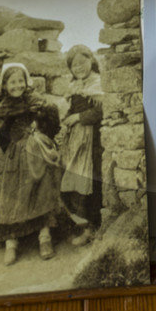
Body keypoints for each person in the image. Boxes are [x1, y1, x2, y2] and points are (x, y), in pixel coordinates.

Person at [0, 61, 64, 265]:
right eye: (12, 82)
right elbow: (2, 136)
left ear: (26, 82)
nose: (17, 86)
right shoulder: (4, 108)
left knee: (41, 190)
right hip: (15, 156)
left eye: (20, 81)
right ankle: (11, 243)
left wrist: (41, 138)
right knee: (12, 195)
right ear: (5, 86)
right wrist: (14, 151)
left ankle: (44, 237)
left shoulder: (36, 101)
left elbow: (52, 120)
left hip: (37, 153)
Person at [57, 45, 104, 245]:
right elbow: (69, 111)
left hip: (92, 142)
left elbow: (101, 112)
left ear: (91, 61)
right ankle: (81, 224)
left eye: (82, 62)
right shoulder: (74, 86)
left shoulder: (98, 84)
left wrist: (78, 117)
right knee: (72, 180)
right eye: (74, 65)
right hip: (76, 142)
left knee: (90, 183)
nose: (78, 67)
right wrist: (67, 120)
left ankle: (92, 229)